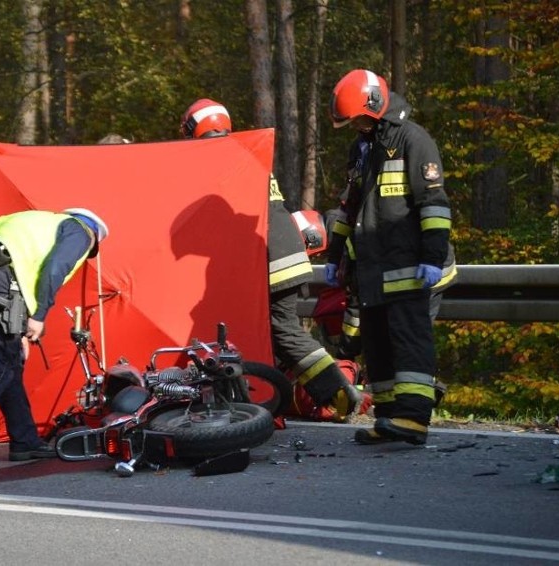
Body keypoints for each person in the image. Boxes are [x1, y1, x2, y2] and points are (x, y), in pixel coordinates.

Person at [179, 98, 363, 414]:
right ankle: (286, 399)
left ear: (194, 129)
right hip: (283, 250)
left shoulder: (217, 162)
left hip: (272, 259)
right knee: (273, 334)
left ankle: (337, 392)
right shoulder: (244, 154)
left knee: (284, 331)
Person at [324, 69, 453, 445]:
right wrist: (335, 257)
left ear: (376, 107)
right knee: (377, 342)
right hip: (374, 268)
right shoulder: (363, 147)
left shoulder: (413, 140)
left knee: (409, 339)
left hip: (410, 265)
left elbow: (434, 204)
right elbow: (350, 209)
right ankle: (388, 417)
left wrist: (432, 256)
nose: (355, 127)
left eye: (358, 119)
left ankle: (413, 419)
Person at [0, 208, 110, 471]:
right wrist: (39, 315)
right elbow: (55, 269)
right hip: (1, 271)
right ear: (94, 238)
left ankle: (25, 440)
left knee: (9, 359)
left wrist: (18, 329)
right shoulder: (81, 231)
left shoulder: (41, 223)